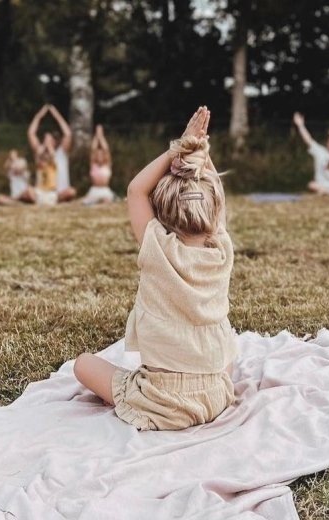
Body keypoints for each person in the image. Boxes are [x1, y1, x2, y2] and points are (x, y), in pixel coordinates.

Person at [73, 107, 237, 431]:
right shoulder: (221, 251)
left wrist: (179, 147)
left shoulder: (156, 248)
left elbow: (136, 190)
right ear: (215, 208)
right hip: (215, 395)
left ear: (164, 214)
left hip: (160, 400)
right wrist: (199, 153)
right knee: (229, 344)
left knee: (82, 365)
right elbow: (216, 194)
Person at [27, 104, 76, 202]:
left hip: (59, 193)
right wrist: (39, 116)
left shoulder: (61, 153)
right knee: (29, 191)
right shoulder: (40, 153)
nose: (47, 142)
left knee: (71, 192)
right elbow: (31, 133)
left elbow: (68, 134)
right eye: (45, 139)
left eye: (50, 139)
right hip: (42, 192)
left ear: (54, 142)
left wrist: (56, 115)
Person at [82, 125, 116, 205]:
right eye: (98, 155)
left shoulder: (107, 165)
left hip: (105, 190)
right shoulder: (93, 165)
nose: (99, 156)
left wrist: (101, 136)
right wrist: (97, 136)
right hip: (94, 190)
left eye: (101, 154)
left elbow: (106, 150)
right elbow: (93, 149)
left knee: (106, 201)